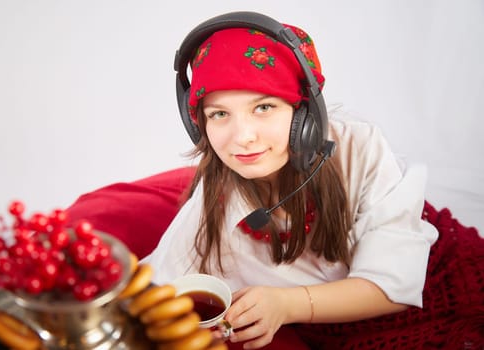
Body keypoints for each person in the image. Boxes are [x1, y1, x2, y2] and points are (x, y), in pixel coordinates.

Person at [139, 11, 442, 349]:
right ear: (199, 125)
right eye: (220, 114)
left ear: (305, 116)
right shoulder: (216, 196)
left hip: (420, 299)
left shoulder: (360, 148)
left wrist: (287, 304)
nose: (243, 137)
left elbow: (394, 285)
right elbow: (153, 286)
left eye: (264, 107)